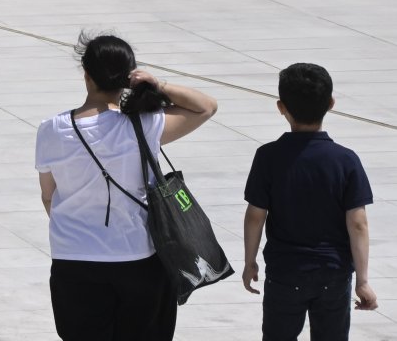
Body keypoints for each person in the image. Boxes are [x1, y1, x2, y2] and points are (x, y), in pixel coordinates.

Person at [38, 35, 219, 341]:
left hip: (74, 258)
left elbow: (48, 195)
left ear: (86, 75)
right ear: (127, 77)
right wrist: (158, 84)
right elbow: (206, 107)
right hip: (138, 257)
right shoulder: (144, 125)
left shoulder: (52, 130)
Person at [242, 63, 377, 340]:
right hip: (333, 273)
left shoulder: (268, 157)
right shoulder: (346, 160)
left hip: (285, 272)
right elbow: (358, 224)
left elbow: (256, 215)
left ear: (281, 107)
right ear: (330, 104)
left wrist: (250, 261)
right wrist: (362, 281)